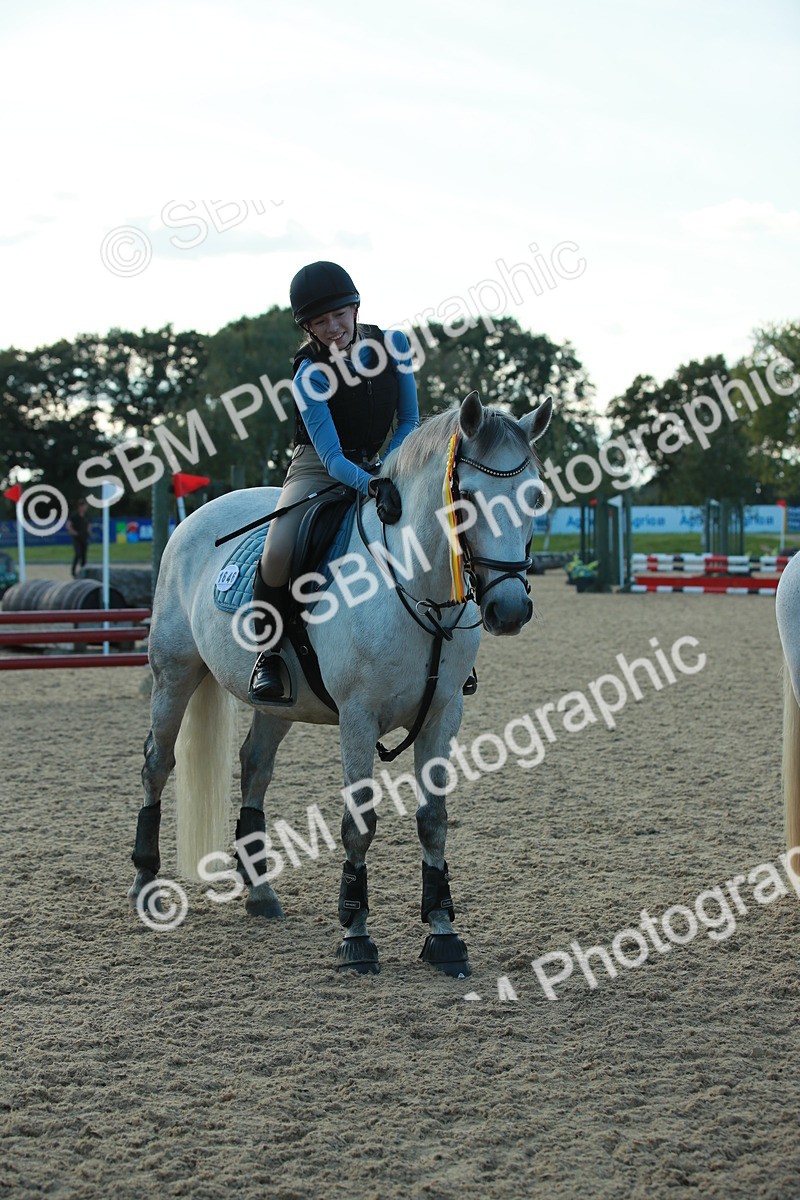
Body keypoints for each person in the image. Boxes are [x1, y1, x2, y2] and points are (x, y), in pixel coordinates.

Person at [249, 261, 419, 703]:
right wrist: (371, 483)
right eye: (320, 322)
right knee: (279, 549)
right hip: (317, 469)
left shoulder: (394, 344)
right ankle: (267, 653)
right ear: (308, 327)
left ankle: (449, 646)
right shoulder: (310, 374)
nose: (333, 327)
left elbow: (410, 420)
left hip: (382, 463)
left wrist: (387, 470)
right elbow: (330, 457)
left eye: (339, 315)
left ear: (356, 306)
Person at [67, 497, 90, 578]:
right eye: (84, 506)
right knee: (78, 553)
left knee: (84, 555)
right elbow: (69, 524)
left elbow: (89, 524)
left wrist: (88, 531)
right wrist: (73, 532)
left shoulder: (86, 515)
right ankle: (73, 571)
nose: (85, 508)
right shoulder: (74, 515)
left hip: (84, 537)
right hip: (76, 537)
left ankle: (83, 571)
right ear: (80, 506)